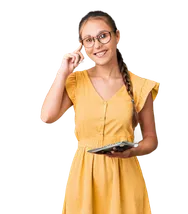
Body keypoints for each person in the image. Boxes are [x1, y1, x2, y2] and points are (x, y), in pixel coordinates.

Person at [39, 9, 161, 214]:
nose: (97, 45)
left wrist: (134, 150)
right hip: (84, 179)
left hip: (126, 179)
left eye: (103, 36)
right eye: (89, 40)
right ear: (82, 47)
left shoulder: (141, 85)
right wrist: (62, 71)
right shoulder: (75, 81)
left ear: (118, 36)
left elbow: (151, 139)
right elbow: (47, 117)